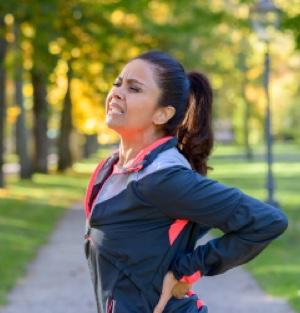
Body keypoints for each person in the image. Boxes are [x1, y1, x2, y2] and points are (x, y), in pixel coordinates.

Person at [84, 50, 288, 313]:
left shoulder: (162, 178)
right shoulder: (110, 169)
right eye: (118, 83)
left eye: (134, 88)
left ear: (162, 114)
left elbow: (266, 221)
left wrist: (188, 270)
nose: (118, 93)